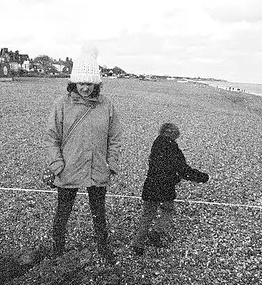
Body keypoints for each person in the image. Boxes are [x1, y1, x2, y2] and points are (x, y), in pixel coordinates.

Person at [45, 44, 123, 264]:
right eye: (81, 83)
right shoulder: (61, 105)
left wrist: (111, 163)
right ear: (73, 82)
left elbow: (115, 138)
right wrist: (57, 166)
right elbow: (51, 138)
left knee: (99, 213)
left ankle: (103, 247)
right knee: (63, 213)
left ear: (96, 83)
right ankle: (57, 250)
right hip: (68, 168)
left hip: (97, 167)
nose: (85, 88)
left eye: (89, 83)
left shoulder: (107, 105)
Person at [131, 122, 209, 256]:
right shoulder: (173, 147)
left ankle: (138, 244)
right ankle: (156, 232)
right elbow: (183, 170)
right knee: (168, 211)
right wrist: (201, 177)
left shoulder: (156, 144)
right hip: (166, 187)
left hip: (151, 185)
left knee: (148, 215)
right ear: (172, 134)